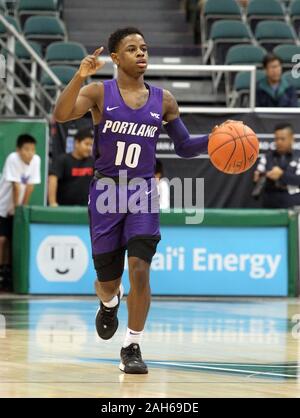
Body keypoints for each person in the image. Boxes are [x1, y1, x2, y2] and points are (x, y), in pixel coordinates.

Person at [54, 27, 228, 374]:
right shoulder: (98, 92)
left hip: (142, 192)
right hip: (106, 192)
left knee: (140, 270)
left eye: (144, 48)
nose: (141, 53)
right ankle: (109, 303)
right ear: (116, 58)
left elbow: (183, 146)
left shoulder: (163, 99)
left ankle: (131, 345)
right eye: (132, 49)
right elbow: (61, 114)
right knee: (107, 281)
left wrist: (217, 138)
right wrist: (79, 75)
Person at [0, 134, 41, 291]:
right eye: (26, 149)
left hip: (17, 210)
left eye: (32, 149)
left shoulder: (36, 160)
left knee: (14, 242)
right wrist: (18, 209)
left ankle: (8, 272)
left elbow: (30, 186)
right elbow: (16, 186)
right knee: (2, 240)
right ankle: (1, 271)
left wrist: (22, 210)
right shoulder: (12, 158)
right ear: (18, 150)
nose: (30, 153)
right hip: (3, 207)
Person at [253, 123, 300, 208]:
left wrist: (282, 175)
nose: (279, 142)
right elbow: (257, 178)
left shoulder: (298, 156)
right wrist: (262, 176)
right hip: (270, 204)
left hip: (294, 205)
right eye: (276, 139)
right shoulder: (267, 157)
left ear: (292, 139)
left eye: (282, 139)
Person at [48, 128, 94, 206]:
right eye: (86, 144)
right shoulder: (63, 160)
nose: (89, 148)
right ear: (76, 143)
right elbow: (52, 179)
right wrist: (52, 203)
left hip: (87, 210)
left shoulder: (93, 162)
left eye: (91, 145)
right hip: (65, 210)